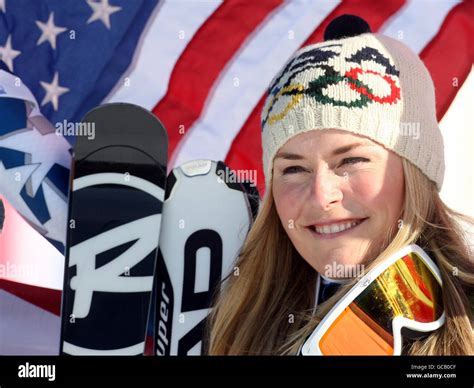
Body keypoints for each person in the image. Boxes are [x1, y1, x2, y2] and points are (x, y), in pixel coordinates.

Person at [207, 15, 473, 355]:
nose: (321, 196)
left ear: (415, 171)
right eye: (293, 169)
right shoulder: (234, 328)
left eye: (350, 161)